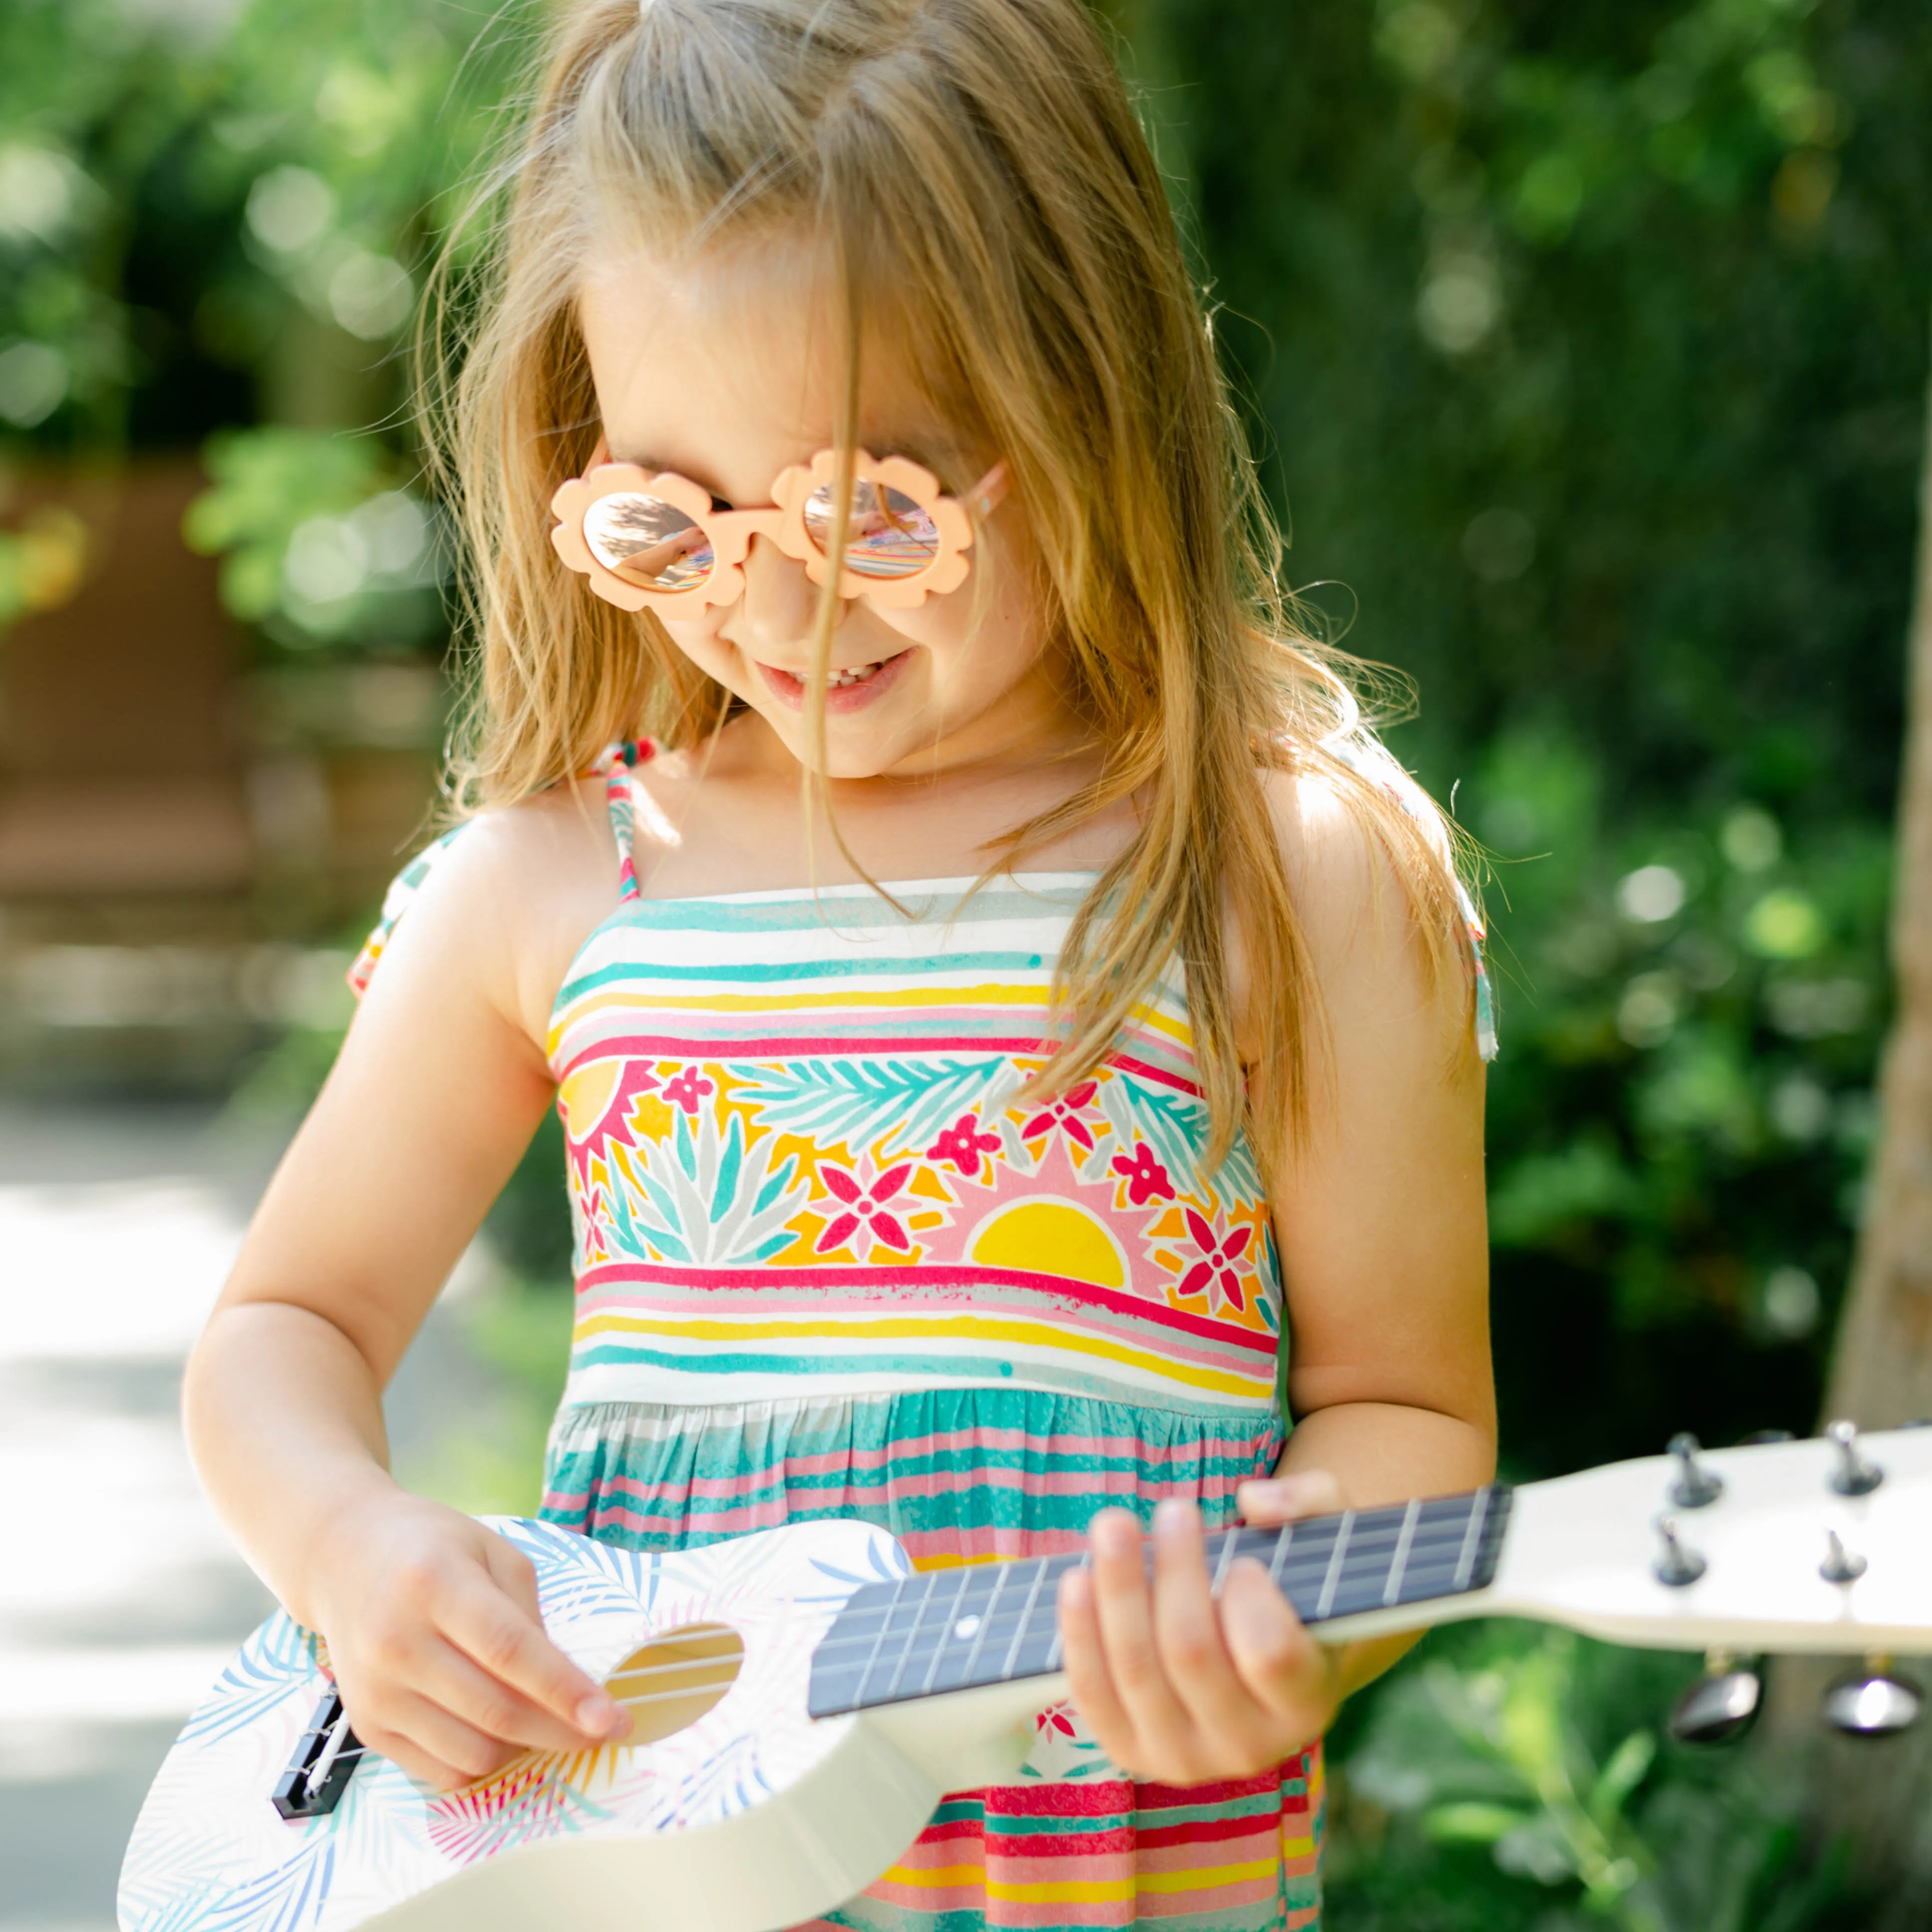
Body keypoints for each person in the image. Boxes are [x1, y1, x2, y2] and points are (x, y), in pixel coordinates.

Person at [182, 1, 1497, 1925]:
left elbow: (1414, 1416)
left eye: (871, 510)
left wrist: (1300, 1633)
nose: (776, 608)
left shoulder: (1285, 869)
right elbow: (280, 1335)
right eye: (674, 518)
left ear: (1088, 396)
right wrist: (353, 1546)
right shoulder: (557, 889)